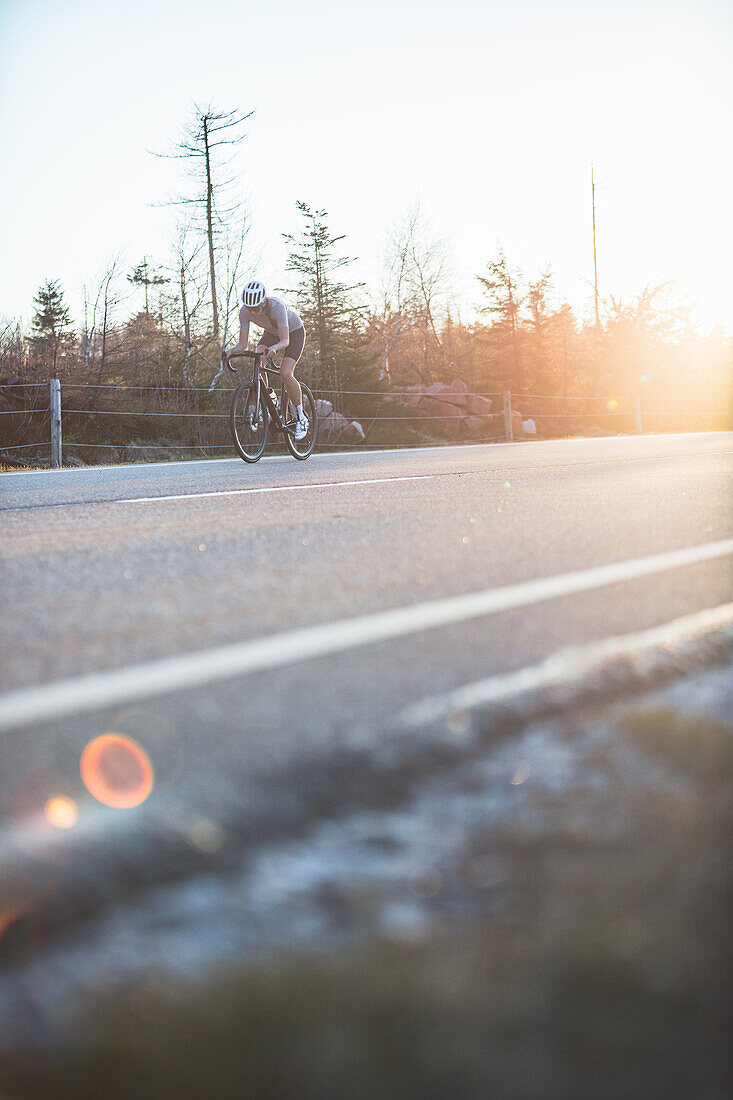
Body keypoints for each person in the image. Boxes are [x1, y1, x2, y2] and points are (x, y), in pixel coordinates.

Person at [223, 280, 309, 440]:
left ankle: (300, 417)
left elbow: (285, 341)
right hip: (271, 334)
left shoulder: (277, 307)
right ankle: (270, 397)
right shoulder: (244, 312)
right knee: (258, 357)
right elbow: (242, 344)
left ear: (264, 302)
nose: (253, 313)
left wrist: (275, 348)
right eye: (250, 309)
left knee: (285, 372)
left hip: (294, 333)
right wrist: (230, 351)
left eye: (256, 308)